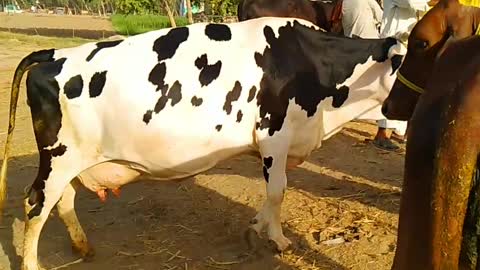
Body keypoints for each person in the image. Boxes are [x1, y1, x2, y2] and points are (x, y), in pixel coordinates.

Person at [369, 0, 430, 151]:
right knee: (390, 87)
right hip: (392, 44)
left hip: (408, 43)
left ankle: (398, 131)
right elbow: (411, 3)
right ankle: (382, 134)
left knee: (405, 87)